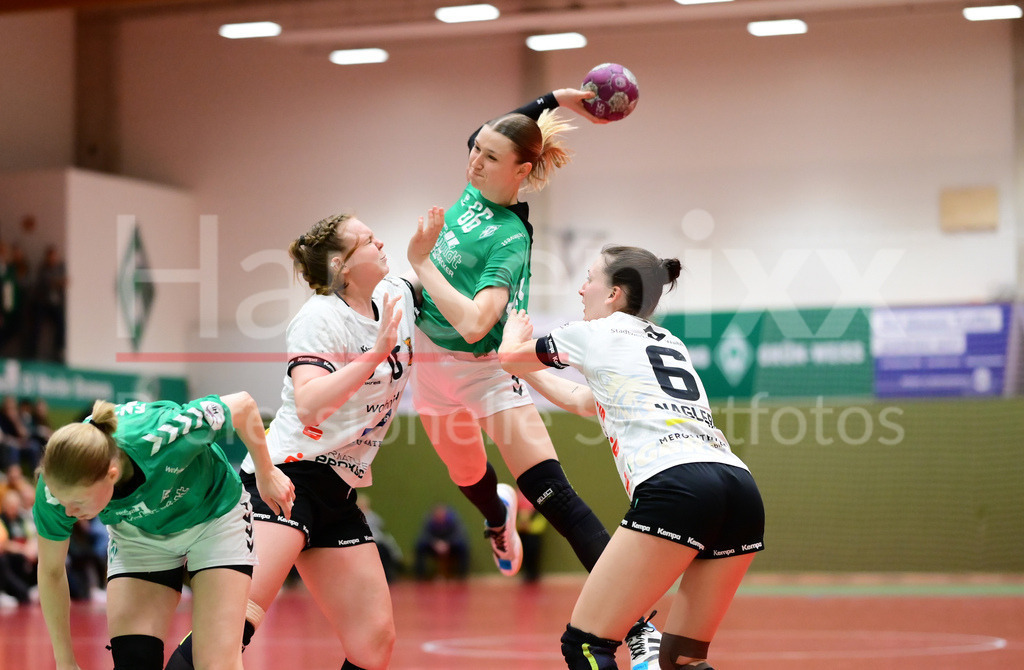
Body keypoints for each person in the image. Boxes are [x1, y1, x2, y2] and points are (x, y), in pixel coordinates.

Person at [167, 213, 418, 670]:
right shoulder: (319, 317)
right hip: (288, 479)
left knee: (374, 642)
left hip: (338, 491)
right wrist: (375, 356)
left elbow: (451, 278)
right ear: (341, 265)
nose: (380, 241)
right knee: (230, 629)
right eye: (366, 239)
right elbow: (309, 404)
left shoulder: (396, 295)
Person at [498, 245, 766, 670]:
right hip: (739, 488)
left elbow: (511, 354)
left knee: (586, 644)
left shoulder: (595, 332)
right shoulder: (667, 341)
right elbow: (584, 400)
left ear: (614, 294)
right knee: (683, 658)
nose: (581, 289)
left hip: (678, 484)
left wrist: (511, 330)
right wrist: (526, 371)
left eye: (590, 279)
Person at [406, 88, 615, 583]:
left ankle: (639, 619)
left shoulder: (510, 237)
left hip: (489, 369)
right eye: (476, 148)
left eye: (489, 156)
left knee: (553, 494)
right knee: (466, 475)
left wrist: (420, 263)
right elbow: (511, 129)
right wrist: (559, 97)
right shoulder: (475, 186)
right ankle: (498, 518)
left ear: (520, 171)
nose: (475, 161)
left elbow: (477, 322)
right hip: (431, 363)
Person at [32, 392, 295, 670]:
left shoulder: (165, 433)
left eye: (78, 503)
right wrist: (64, 662)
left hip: (214, 516)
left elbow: (243, 405)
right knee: (134, 660)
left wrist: (266, 473)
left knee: (216, 664)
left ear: (111, 474)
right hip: (139, 533)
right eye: (63, 502)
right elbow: (50, 571)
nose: (69, 512)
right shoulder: (57, 489)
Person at [413, 503, 469, 580]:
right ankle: (421, 576)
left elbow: (460, 535)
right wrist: (435, 543)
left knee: (463, 547)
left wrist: (448, 544)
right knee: (419, 546)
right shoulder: (429, 521)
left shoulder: (454, 520)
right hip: (434, 547)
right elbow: (424, 535)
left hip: (451, 546)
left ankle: (461, 576)